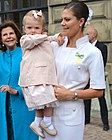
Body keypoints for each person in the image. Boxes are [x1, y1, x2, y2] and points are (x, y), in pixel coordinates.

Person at [39, 1, 106, 140]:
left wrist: (71, 94)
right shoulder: (55, 45)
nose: (62, 23)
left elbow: (99, 90)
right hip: (48, 113)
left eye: (67, 19)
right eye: (62, 19)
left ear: (81, 21)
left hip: (71, 113)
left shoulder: (92, 53)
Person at [0, 20, 38, 140]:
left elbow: (35, 78)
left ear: (16, 36)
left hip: (23, 104)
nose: (9, 37)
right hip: (4, 105)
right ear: (1, 39)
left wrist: (17, 91)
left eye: (11, 33)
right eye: (4, 35)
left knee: (23, 134)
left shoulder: (26, 53)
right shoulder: (0, 58)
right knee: (7, 134)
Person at [18, 10, 59, 138]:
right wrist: (46, 36)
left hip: (44, 75)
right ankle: (46, 122)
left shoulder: (43, 39)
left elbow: (50, 39)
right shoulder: (25, 39)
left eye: (37, 28)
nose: (33, 31)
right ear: (24, 28)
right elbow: (32, 41)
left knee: (44, 102)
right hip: (34, 76)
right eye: (29, 28)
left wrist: (56, 37)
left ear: (42, 28)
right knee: (46, 99)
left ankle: (38, 122)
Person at [84, 26, 109, 131]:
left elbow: (102, 63)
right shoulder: (85, 47)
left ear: (94, 35)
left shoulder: (102, 46)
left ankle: (105, 123)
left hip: (97, 77)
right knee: (86, 99)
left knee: (102, 100)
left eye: (88, 34)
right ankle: (86, 119)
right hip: (86, 77)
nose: (86, 36)